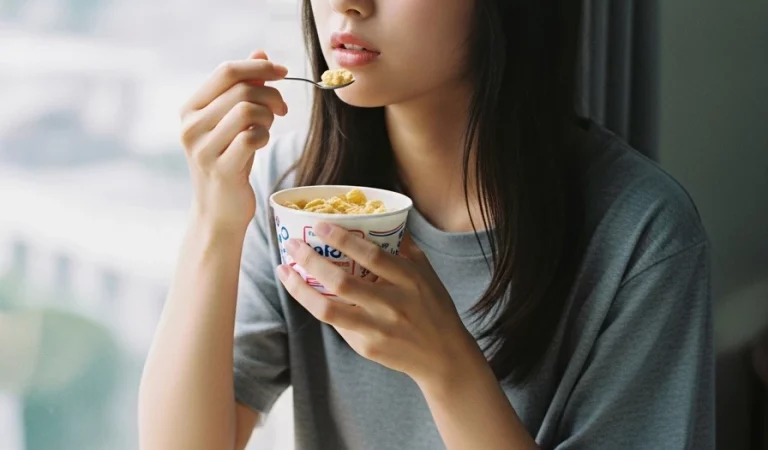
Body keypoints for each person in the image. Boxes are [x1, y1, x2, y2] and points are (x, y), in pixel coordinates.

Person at [138, 0, 714, 449]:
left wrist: (448, 369)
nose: (348, 4)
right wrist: (214, 222)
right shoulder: (293, 199)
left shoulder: (643, 238)